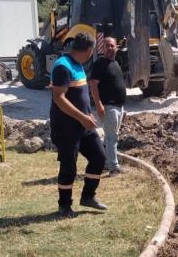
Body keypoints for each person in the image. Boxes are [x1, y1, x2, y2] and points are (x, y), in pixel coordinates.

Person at [50, 33, 107, 218]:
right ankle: (64, 206)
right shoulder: (62, 66)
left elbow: (79, 94)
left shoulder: (78, 65)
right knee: (69, 166)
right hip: (66, 127)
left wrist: (87, 112)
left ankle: (88, 197)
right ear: (89, 50)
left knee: (99, 156)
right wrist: (82, 117)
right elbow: (58, 98)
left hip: (83, 125)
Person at [90, 36, 127, 176]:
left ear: (116, 47)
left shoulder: (115, 63)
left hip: (118, 107)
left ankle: (106, 163)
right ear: (102, 48)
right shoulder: (100, 64)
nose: (110, 48)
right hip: (109, 106)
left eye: (112, 45)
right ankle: (114, 168)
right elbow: (93, 84)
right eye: (107, 46)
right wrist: (99, 104)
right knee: (112, 138)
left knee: (109, 137)